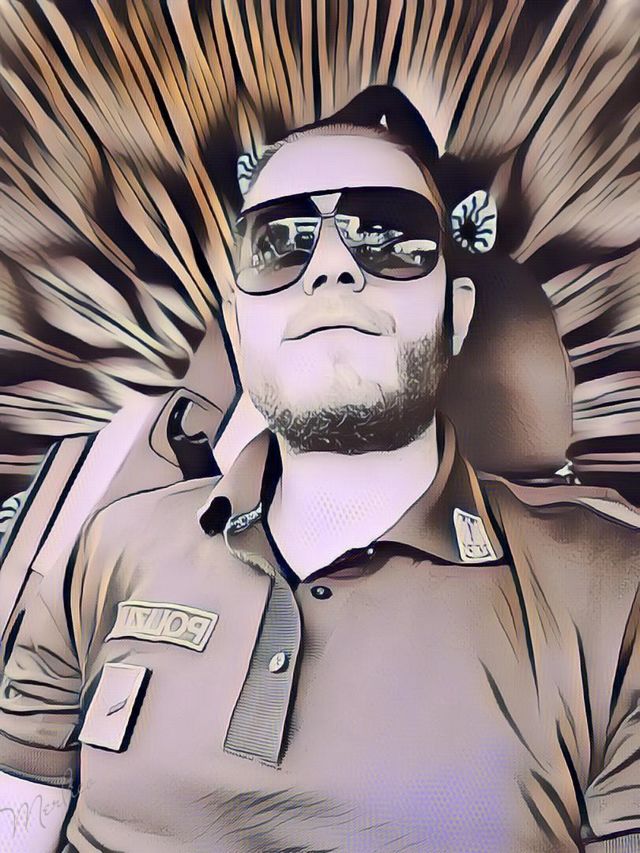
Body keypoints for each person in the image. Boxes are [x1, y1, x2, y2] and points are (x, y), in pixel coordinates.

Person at [0, 86, 638, 853]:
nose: (331, 267)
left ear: (457, 313)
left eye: (389, 236)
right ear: (239, 329)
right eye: (282, 244)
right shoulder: (109, 548)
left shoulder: (615, 595)